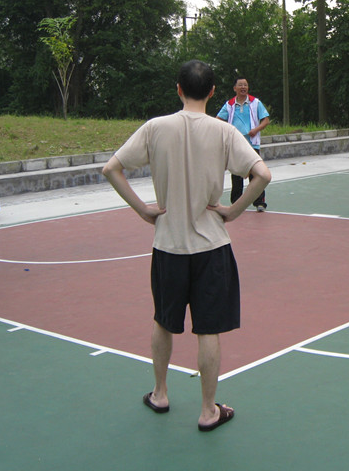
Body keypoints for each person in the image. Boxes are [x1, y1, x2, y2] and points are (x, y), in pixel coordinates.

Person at [102, 60, 272, 432]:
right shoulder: (224, 131)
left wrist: (143, 210)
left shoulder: (155, 128)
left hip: (168, 245)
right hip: (211, 246)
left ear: (178, 89)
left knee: (163, 322)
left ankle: (160, 393)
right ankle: (208, 410)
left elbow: (111, 168)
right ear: (212, 92)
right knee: (208, 329)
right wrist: (233, 211)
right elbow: (262, 174)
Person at [216, 77, 270, 212]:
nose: (243, 87)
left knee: (256, 174)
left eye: (245, 85)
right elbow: (218, 120)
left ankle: (260, 203)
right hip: (235, 145)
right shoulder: (229, 104)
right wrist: (228, 131)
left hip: (252, 144)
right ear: (235, 88)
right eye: (240, 85)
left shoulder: (255, 102)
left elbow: (265, 120)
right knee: (236, 174)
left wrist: (256, 130)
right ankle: (237, 203)